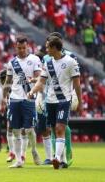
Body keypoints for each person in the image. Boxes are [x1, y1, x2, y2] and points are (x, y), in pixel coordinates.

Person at [28, 36, 82, 169]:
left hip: (64, 100)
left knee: (60, 128)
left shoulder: (71, 62)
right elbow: (41, 81)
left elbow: (77, 84)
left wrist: (80, 102)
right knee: (53, 129)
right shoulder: (48, 63)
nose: (46, 50)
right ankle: (60, 158)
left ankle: (57, 158)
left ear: (54, 48)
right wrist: (31, 92)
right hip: (50, 100)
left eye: (47, 47)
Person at [0, 35, 41, 168]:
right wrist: (3, 100)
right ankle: (18, 160)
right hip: (15, 98)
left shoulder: (35, 59)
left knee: (29, 130)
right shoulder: (12, 63)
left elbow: (40, 78)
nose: (22, 50)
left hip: (28, 97)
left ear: (27, 46)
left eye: (24, 47)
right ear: (15, 47)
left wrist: (32, 81)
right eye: (19, 48)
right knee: (16, 130)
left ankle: (34, 150)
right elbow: (7, 82)